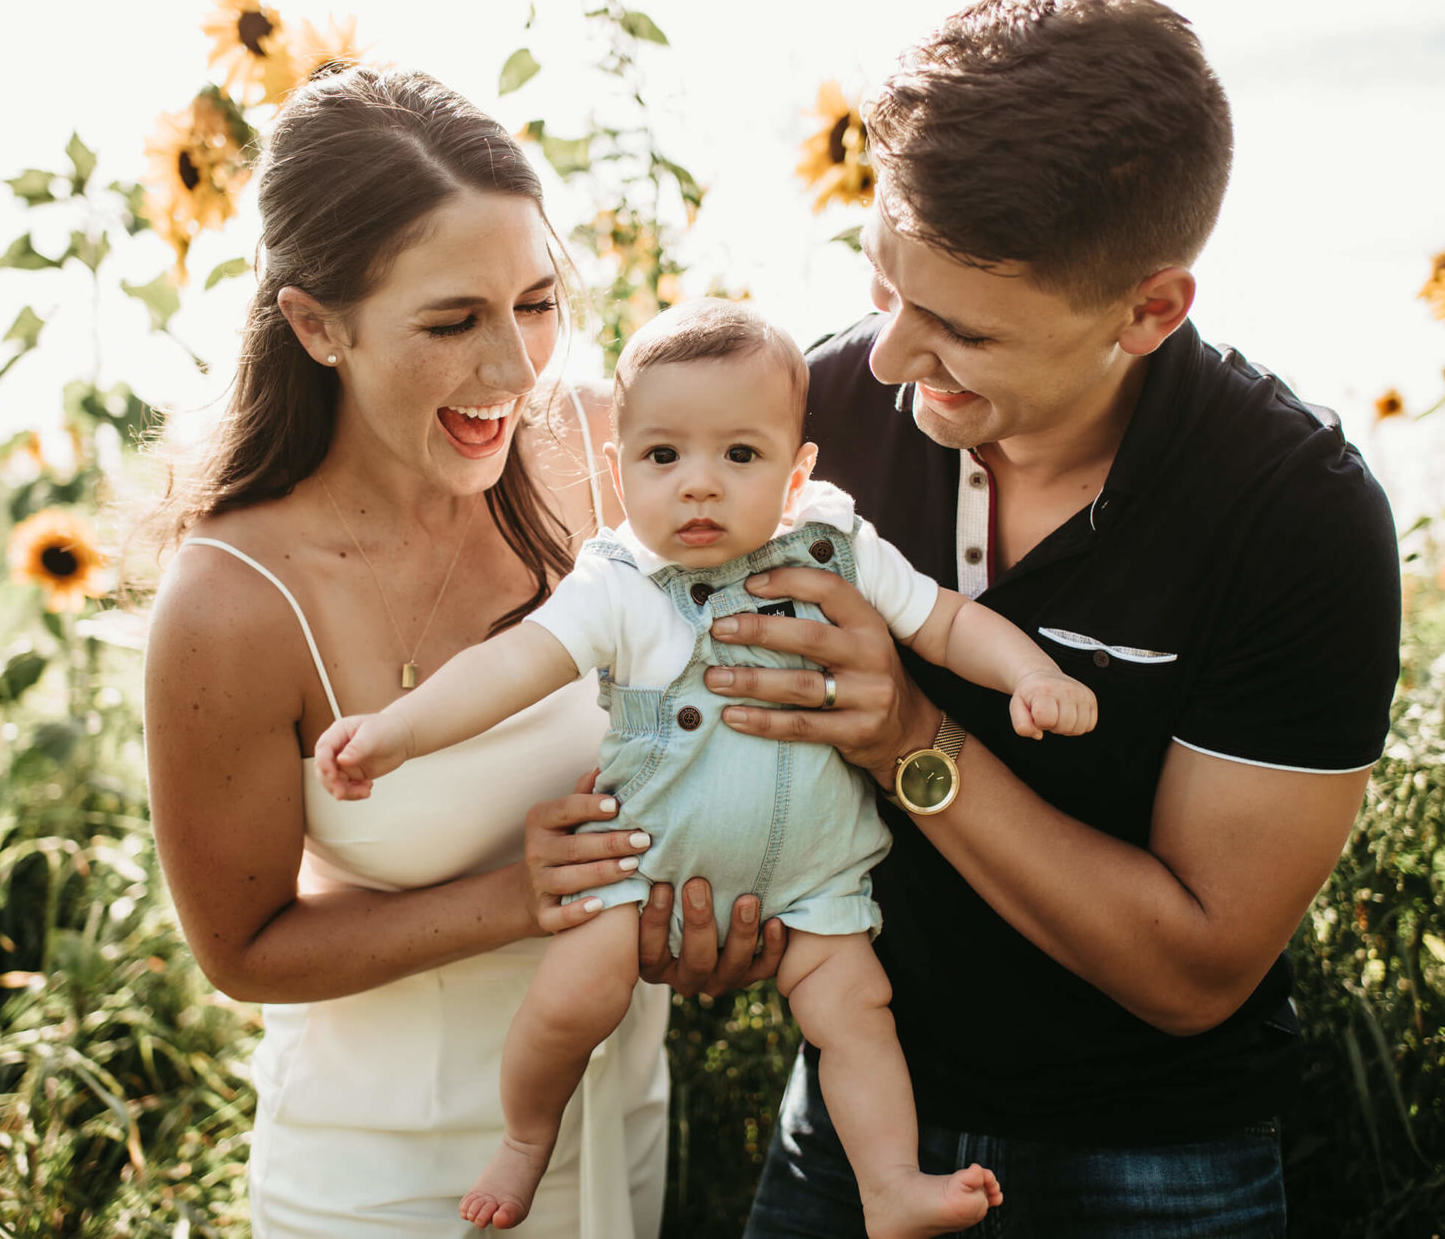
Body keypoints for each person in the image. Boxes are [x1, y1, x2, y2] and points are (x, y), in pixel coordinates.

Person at [610, 0, 1397, 1237]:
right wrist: (710, 913)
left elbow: (1196, 971)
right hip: (855, 1127)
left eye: (959, 329)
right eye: (884, 285)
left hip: (1158, 1164)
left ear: (1148, 311)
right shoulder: (808, 424)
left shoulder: (1293, 513)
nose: (884, 360)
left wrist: (907, 736)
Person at [317, 298, 1098, 1234]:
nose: (699, 486)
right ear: (618, 468)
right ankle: (526, 1139)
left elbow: (946, 620)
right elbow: (508, 668)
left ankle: (890, 1186)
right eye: (663, 457)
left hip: (813, 877)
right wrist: (398, 733)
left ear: (798, 471)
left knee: (856, 1012)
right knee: (573, 998)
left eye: (740, 456)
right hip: (644, 867)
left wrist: (1031, 674)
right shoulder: (618, 584)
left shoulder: (837, 546)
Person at [143, 66, 702, 1238]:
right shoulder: (235, 599)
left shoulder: (610, 454)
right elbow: (243, 948)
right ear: (316, 324)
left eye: (538, 302)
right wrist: (519, 896)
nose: (515, 371)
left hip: (622, 1133)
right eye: (453, 321)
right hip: (385, 1185)